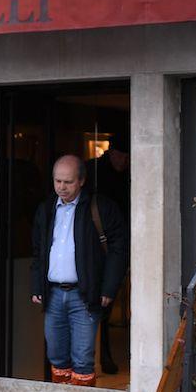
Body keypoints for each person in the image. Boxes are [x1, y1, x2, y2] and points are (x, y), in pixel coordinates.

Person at [31, 155, 127, 387]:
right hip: (53, 295)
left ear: (81, 181)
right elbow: (38, 251)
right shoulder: (46, 209)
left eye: (68, 182)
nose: (61, 187)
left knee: (83, 361)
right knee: (56, 357)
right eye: (58, 181)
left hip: (84, 295)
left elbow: (119, 249)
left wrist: (108, 288)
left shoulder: (100, 207)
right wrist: (37, 286)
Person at [86, 140, 131, 374]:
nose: (123, 161)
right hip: (100, 246)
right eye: (120, 155)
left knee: (108, 304)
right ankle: (97, 358)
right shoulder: (93, 172)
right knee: (99, 307)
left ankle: (102, 357)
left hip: (122, 242)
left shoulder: (128, 174)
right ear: (111, 152)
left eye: (127, 157)